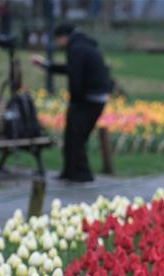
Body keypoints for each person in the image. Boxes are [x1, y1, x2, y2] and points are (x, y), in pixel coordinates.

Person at [32, 23, 112, 183]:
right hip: (95, 97)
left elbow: (75, 75)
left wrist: (74, 100)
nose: (57, 43)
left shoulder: (76, 48)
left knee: (76, 136)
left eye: (57, 39)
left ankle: (82, 173)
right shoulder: (82, 44)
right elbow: (71, 69)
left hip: (88, 99)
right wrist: (46, 65)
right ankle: (70, 172)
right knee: (73, 136)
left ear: (64, 36)